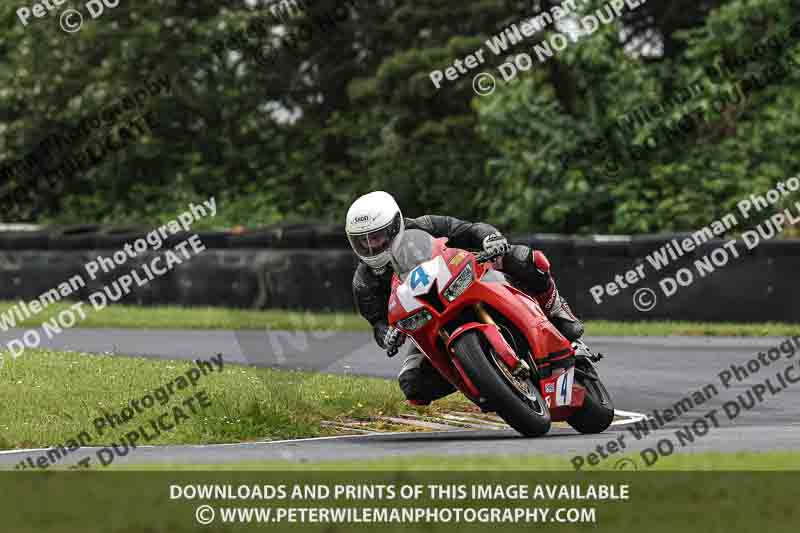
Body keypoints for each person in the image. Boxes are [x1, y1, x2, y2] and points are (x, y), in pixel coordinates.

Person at [347, 191, 583, 405]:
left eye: (376, 236)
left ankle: (556, 309)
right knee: (413, 385)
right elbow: (377, 322)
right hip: (429, 322)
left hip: (467, 282)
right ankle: (483, 380)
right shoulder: (364, 281)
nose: (372, 246)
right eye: (363, 241)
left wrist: (490, 238)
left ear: (394, 225)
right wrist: (387, 335)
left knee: (521, 258)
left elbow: (468, 230)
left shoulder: (425, 226)